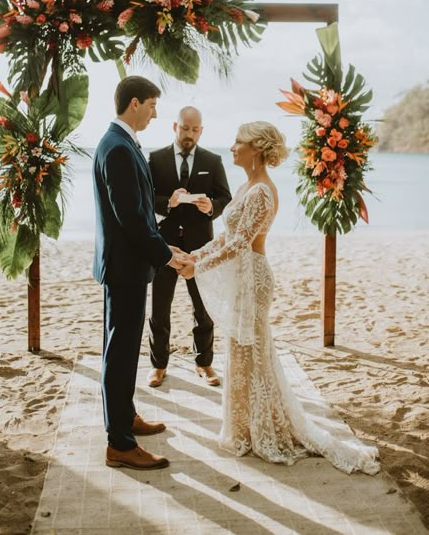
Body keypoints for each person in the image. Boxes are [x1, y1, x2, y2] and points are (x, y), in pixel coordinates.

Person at [179, 121, 380, 475]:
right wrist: (197, 254)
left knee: (255, 353)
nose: (232, 147)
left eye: (238, 141)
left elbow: (242, 242)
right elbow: (228, 237)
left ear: (256, 149)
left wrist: (200, 268)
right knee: (240, 351)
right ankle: (244, 428)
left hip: (253, 279)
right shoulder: (245, 187)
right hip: (240, 277)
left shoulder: (262, 193)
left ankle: (266, 430)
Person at [92, 76, 186, 471]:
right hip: (126, 268)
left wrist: (167, 248)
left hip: (128, 265)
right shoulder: (116, 148)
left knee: (123, 348)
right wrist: (166, 256)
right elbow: (130, 218)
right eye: (151, 105)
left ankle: (124, 416)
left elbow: (142, 210)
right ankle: (120, 444)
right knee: (121, 351)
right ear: (134, 103)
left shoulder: (122, 143)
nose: (155, 113)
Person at [147, 106, 232, 388]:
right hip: (164, 244)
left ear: (201, 130)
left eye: (195, 130)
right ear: (175, 126)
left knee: (203, 307)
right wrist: (167, 203)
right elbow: (146, 200)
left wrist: (212, 208)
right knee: (160, 307)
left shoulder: (213, 159)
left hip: (200, 246)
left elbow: (225, 198)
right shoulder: (156, 159)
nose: (189, 135)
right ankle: (158, 366)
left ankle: (204, 363)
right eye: (185, 128)